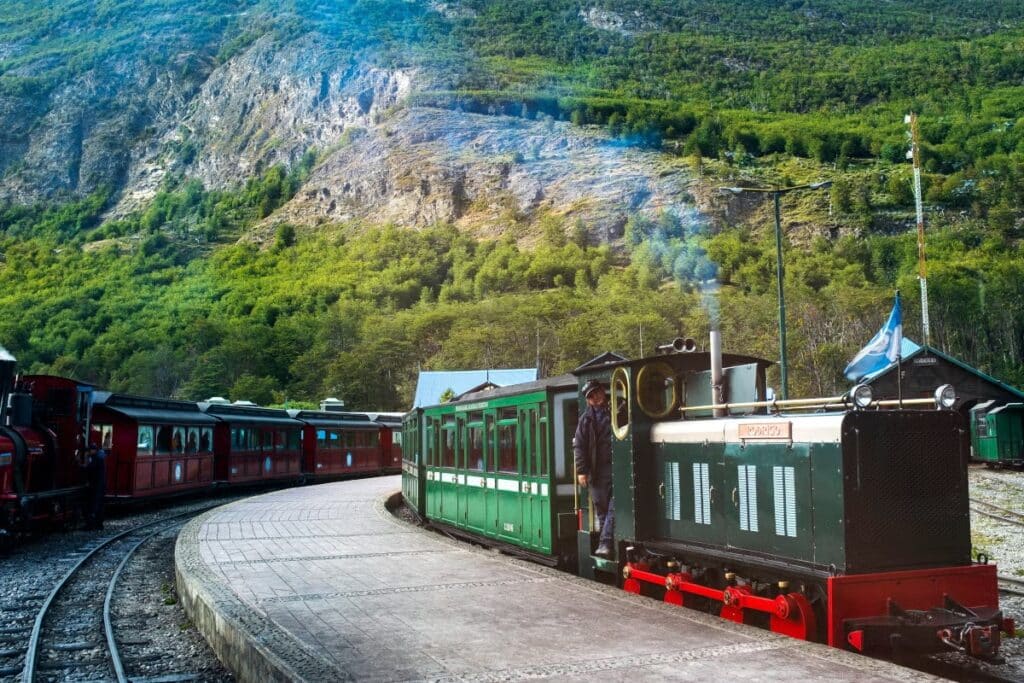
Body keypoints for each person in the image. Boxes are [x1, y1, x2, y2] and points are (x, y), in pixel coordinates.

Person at [573, 379, 614, 558]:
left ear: (602, 392)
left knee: (615, 506)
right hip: (597, 471)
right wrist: (582, 471)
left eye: (596, 393)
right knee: (603, 509)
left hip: (615, 466)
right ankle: (608, 547)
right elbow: (579, 446)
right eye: (591, 396)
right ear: (588, 400)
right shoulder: (586, 420)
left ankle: (605, 543)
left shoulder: (616, 409)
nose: (595, 398)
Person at [83, 442, 107, 530]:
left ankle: (92, 525)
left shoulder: (96, 458)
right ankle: (99, 524)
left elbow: (90, 469)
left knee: (93, 505)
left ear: (93, 450)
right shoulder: (100, 457)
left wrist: (84, 462)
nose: (88, 452)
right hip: (100, 485)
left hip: (96, 485)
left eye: (89, 450)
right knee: (99, 505)